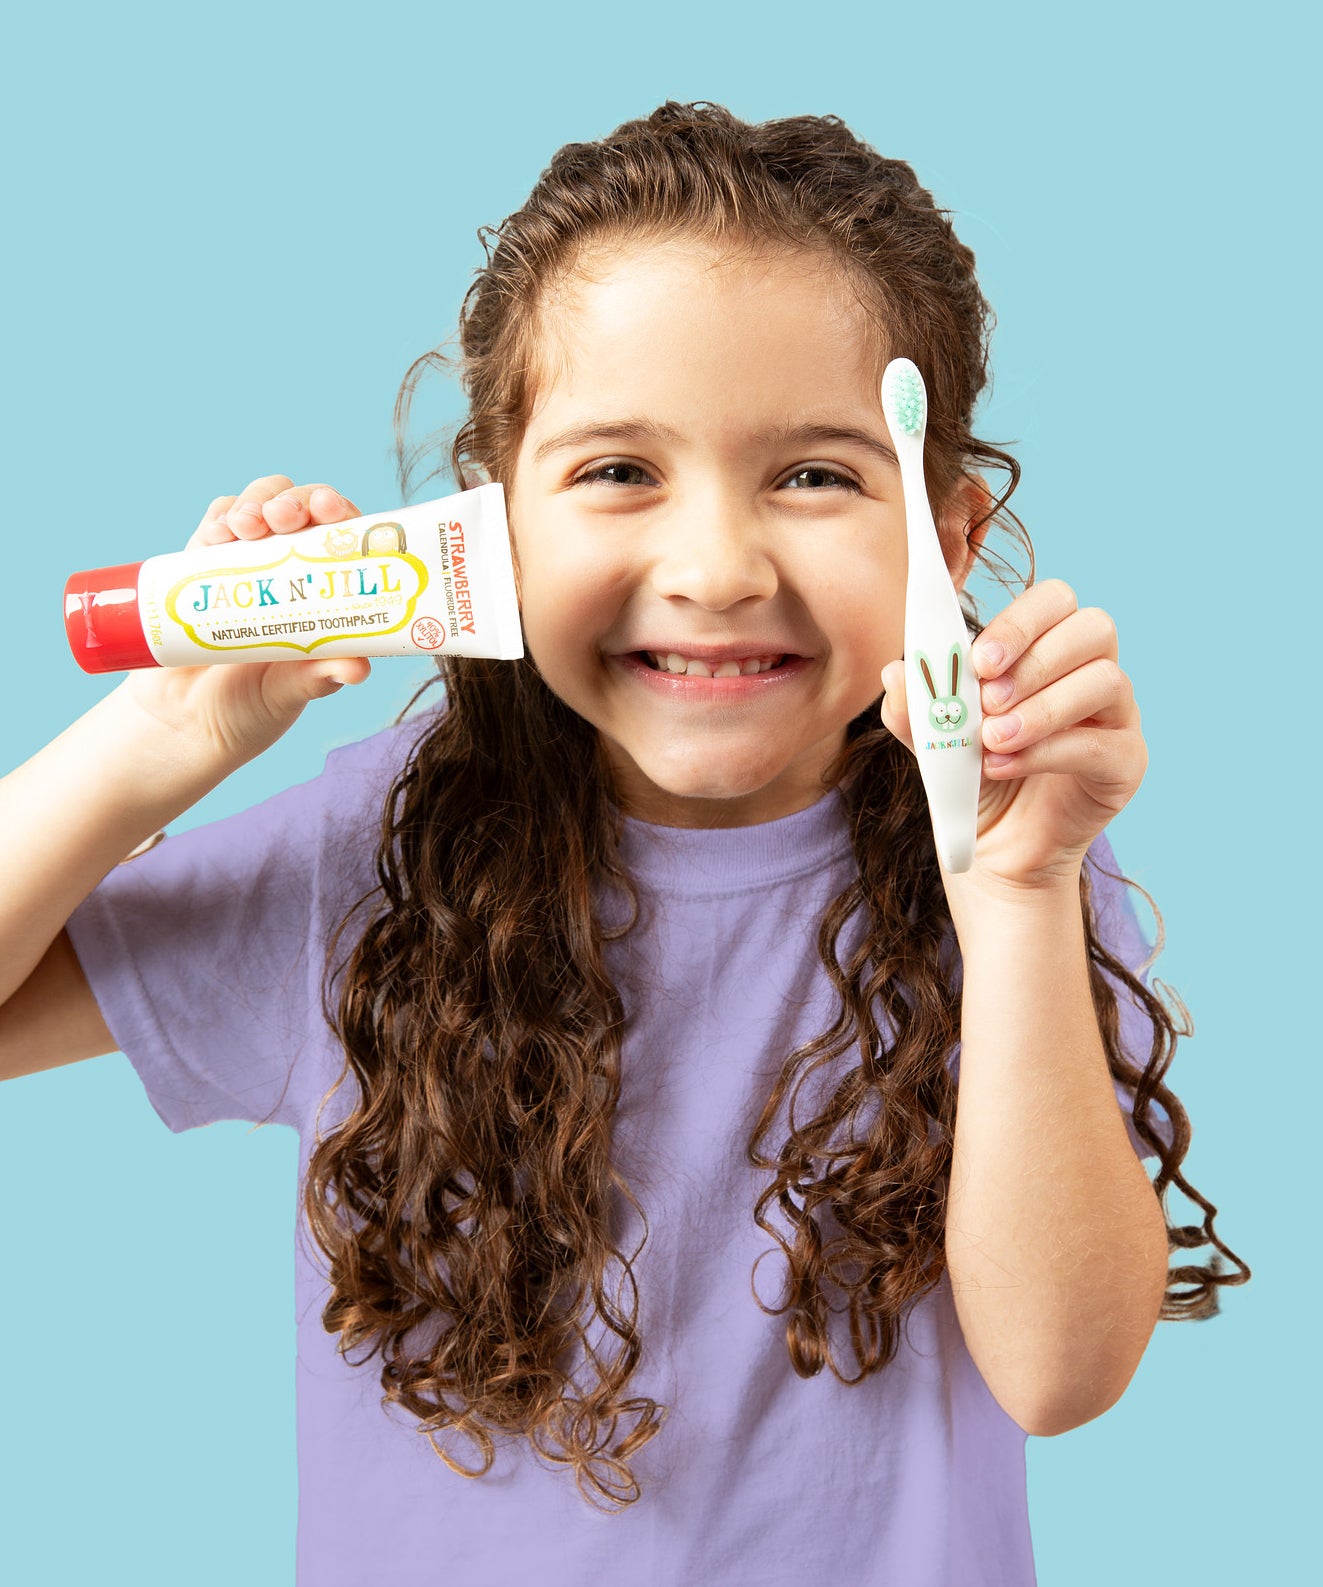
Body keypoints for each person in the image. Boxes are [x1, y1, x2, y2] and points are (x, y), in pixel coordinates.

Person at [0, 102, 1247, 1584]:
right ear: (491, 527)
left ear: (951, 540)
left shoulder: (1015, 856)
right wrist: (159, 746)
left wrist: (1025, 893)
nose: (715, 568)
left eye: (816, 475)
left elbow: (1059, 1374)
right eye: (617, 473)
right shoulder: (378, 855)